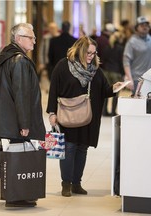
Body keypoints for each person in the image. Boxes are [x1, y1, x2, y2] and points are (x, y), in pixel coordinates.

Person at [46, 36, 123, 197]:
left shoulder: (95, 69)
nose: (91, 56)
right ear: (80, 49)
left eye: (94, 53)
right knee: (69, 147)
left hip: (89, 117)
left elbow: (103, 90)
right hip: (68, 115)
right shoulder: (63, 66)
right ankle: (66, 184)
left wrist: (114, 88)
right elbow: (53, 90)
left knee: (82, 148)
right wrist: (52, 112)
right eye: (88, 52)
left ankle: (76, 183)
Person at [0, 23, 45, 207]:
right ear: (19, 39)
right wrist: (24, 123)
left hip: (8, 117)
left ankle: (18, 194)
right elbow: (21, 93)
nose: (35, 41)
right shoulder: (19, 60)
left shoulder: (4, 55)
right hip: (17, 118)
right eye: (31, 38)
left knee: (15, 155)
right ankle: (17, 196)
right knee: (19, 157)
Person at [123, 16, 151, 94]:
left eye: (146, 25)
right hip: (137, 79)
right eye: (142, 25)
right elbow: (126, 61)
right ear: (136, 28)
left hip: (149, 78)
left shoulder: (150, 39)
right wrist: (129, 78)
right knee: (139, 104)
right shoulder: (132, 42)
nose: (145, 27)